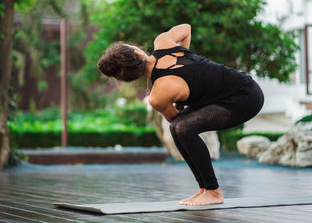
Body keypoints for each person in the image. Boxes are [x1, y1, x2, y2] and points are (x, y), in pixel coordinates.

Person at [97, 24, 264, 206]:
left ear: (129, 77)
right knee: (177, 128)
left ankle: (214, 192)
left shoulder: (158, 95)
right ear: (137, 52)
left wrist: (179, 97)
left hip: (246, 98)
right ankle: (205, 189)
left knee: (183, 128)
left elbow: (174, 116)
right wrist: (185, 62)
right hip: (239, 90)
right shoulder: (163, 42)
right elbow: (186, 28)